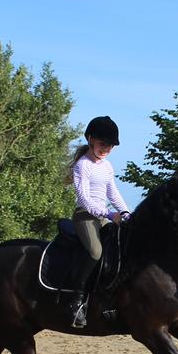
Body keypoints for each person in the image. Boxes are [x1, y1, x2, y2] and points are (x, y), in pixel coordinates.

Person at [66, 115, 130, 328]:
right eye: (103, 144)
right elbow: (84, 198)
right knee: (95, 251)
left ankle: (110, 300)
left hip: (102, 216)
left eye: (110, 146)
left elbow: (113, 192)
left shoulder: (107, 166)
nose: (106, 149)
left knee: (118, 249)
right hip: (85, 216)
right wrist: (110, 215)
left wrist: (125, 212)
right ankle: (76, 301)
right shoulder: (83, 166)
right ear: (90, 139)